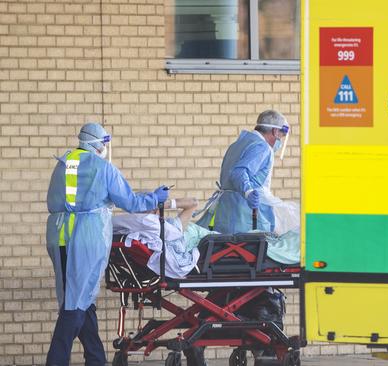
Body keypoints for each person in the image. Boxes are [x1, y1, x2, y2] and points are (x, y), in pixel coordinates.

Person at [45, 123, 168, 366]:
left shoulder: (63, 163)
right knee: (74, 304)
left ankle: (96, 358)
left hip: (58, 236)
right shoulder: (102, 168)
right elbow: (131, 202)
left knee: (81, 300)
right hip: (85, 238)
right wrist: (156, 197)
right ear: (100, 144)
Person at [198, 110, 289, 234]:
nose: (280, 141)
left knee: (227, 248)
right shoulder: (261, 147)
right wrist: (249, 192)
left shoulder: (237, 144)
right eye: (281, 136)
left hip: (226, 211)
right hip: (246, 214)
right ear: (275, 131)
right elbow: (238, 173)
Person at [112, 197, 203, 278]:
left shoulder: (167, 226)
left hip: (194, 236)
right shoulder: (150, 221)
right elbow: (193, 203)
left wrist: (159, 204)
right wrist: (161, 205)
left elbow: (194, 202)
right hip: (202, 242)